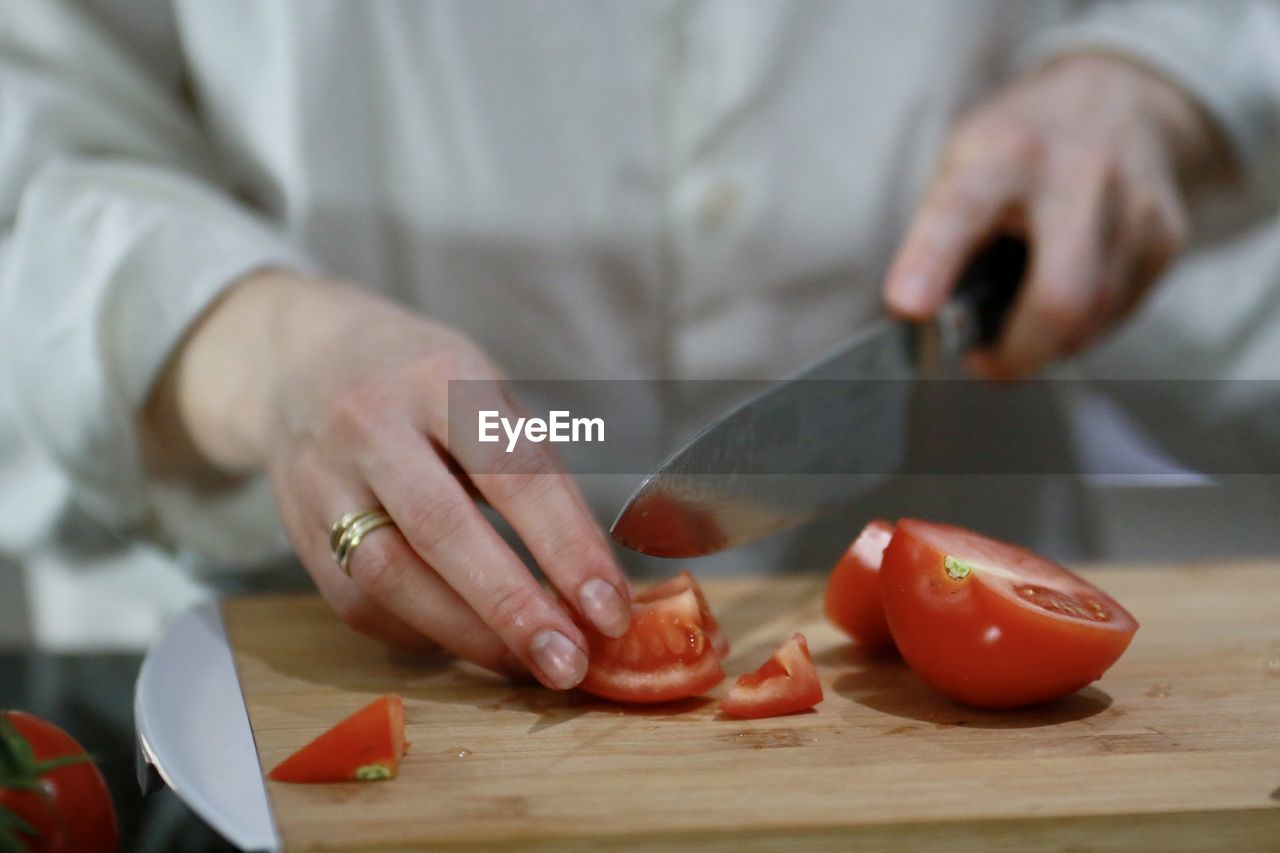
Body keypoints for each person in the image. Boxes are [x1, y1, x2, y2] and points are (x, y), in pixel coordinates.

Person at [1, 1, 1278, 692]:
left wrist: (1151, 72)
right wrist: (261, 342)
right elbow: (35, 134)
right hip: (285, 643)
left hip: (923, 552)